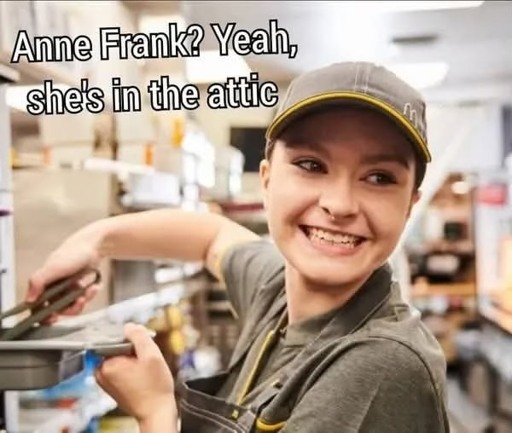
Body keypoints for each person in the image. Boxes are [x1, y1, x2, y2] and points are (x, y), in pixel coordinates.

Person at [26, 61, 450, 433]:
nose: (338, 205)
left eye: (379, 177)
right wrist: (93, 240)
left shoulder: (380, 367)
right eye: (310, 165)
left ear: (410, 203)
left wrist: (156, 412)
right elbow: (213, 236)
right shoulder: (279, 292)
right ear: (266, 179)